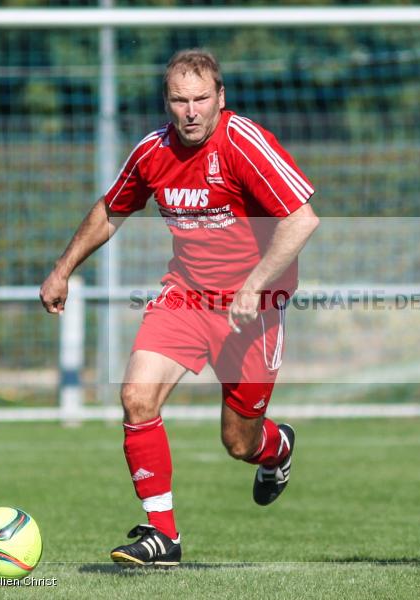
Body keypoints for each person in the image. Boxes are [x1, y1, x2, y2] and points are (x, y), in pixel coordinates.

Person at [40, 49, 318, 567]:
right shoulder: (152, 150)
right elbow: (110, 209)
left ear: (220, 99)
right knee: (136, 397)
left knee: (239, 441)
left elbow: (302, 220)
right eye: (179, 101)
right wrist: (63, 269)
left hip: (253, 308)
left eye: (201, 99)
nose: (191, 111)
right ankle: (162, 533)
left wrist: (255, 285)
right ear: (166, 103)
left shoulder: (243, 142)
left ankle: (276, 447)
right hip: (185, 294)